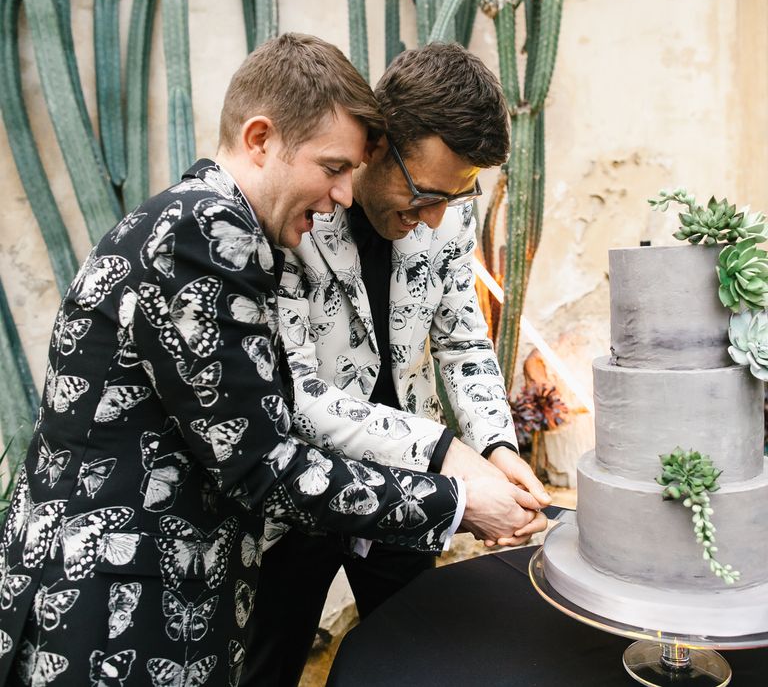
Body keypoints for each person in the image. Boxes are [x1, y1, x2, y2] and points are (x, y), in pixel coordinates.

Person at [0, 34, 532, 687]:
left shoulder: (210, 222)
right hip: (109, 601)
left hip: (151, 587)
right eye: (334, 167)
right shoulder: (206, 234)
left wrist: (493, 450)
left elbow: (246, 437)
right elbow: (264, 462)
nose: (338, 195)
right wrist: (452, 496)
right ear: (259, 140)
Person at [246, 42, 550, 686]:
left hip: (412, 491)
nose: (436, 218)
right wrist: (448, 453)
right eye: (425, 193)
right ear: (377, 146)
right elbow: (294, 393)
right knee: (270, 661)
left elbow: (464, 340)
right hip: (309, 488)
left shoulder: (445, 219)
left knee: (420, 654)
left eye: (457, 199)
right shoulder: (296, 213)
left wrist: (496, 446)